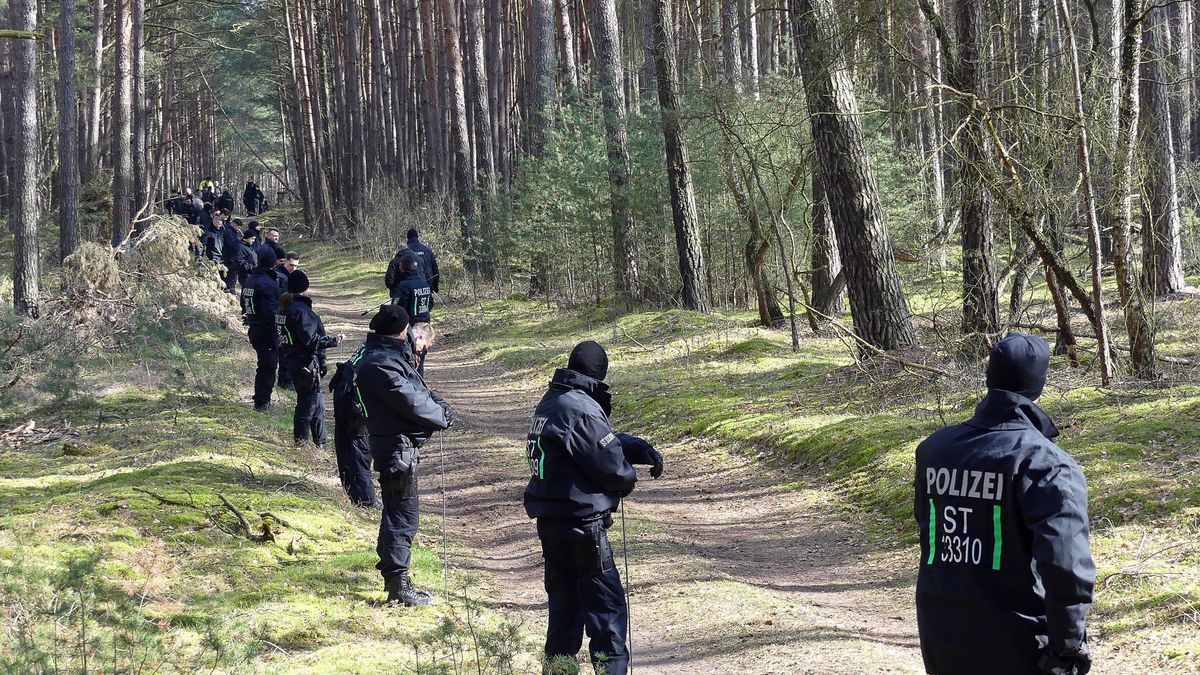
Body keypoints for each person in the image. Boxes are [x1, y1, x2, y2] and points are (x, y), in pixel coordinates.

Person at [914, 333, 1094, 675]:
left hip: (941, 635)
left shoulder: (934, 451)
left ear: (989, 378)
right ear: (1039, 385)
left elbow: (929, 532)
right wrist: (1068, 647)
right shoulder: (1047, 465)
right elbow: (1066, 566)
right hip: (1019, 646)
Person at [524, 341, 663, 675]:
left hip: (552, 524)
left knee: (564, 611)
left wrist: (636, 448)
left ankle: (558, 671)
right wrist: (626, 479)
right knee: (607, 612)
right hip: (582, 527)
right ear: (599, 373)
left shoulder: (554, 399)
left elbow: (586, 443)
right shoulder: (581, 408)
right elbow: (610, 467)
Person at [355, 304, 455, 606]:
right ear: (401, 331)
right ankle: (398, 585)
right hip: (396, 449)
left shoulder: (388, 356)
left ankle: (395, 576)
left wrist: (439, 405)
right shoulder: (381, 364)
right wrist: (441, 416)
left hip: (399, 446)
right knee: (403, 516)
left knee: (396, 512)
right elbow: (410, 401)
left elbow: (419, 390)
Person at [279, 270, 343, 447]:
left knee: (317, 403)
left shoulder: (285, 308)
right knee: (307, 404)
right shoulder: (301, 311)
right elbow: (310, 340)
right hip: (305, 363)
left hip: (294, 361)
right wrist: (333, 340)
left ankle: (320, 443)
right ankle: (301, 443)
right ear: (305, 288)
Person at [329, 344, 378, 508]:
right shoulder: (392, 350)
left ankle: (352, 493)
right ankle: (365, 500)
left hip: (344, 392)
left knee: (347, 445)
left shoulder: (371, 346)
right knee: (359, 448)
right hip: (355, 401)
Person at [241, 249, 284, 412]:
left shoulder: (249, 280)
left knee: (265, 365)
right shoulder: (267, 283)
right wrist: (280, 332)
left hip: (254, 327)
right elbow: (271, 313)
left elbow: (244, 304)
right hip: (265, 330)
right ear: (273, 263)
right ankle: (262, 403)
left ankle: (262, 400)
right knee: (268, 366)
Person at [390, 255, 433, 374]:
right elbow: (430, 304)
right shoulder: (424, 283)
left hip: (409, 329)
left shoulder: (404, 286)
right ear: (415, 266)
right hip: (424, 327)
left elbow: (396, 309)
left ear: (401, 268)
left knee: (407, 361)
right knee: (420, 360)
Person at [404, 228, 441, 293]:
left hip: (410, 287)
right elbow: (435, 270)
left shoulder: (405, 251)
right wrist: (435, 286)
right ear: (417, 237)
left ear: (408, 238)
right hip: (427, 284)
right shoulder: (427, 250)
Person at [221, 218, 244, 293]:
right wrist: (241, 245)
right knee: (231, 274)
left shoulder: (231, 232)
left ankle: (230, 289)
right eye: (238, 228)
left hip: (230, 256)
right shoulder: (229, 232)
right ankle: (230, 289)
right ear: (234, 225)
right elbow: (232, 244)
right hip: (229, 257)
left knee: (231, 274)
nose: (239, 230)